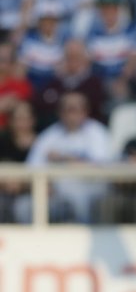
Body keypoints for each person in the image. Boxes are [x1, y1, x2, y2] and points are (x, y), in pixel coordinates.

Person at [17, 91, 112, 223]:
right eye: (66, 110)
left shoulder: (97, 132)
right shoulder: (49, 135)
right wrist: (45, 185)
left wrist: (64, 158)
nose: (71, 114)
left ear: (85, 112)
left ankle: (84, 239)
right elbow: (32, 168)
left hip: (88, 189)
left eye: (75, 109)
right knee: (23, 206)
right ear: (60, 112)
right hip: (54, 191)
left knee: (74, 194)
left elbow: (102, 168)